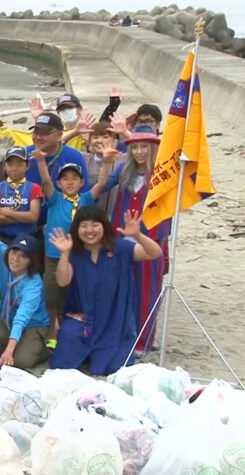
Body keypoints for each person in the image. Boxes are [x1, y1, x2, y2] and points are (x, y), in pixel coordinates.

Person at [48, 207, 163, 375]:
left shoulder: (120, 248)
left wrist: (137, 235)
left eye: (95, 225)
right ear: (76, 229)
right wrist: (64, 255)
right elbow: (62, 280)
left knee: (114, 367)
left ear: (104, 226)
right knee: (65, 350)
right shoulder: (75, 253)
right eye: (84, 226)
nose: (89, 231)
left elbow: (154, 253)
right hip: (85, 320)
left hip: (115, 323)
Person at [36, 149, 114, 344]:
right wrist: (41, 161)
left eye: (75, 178)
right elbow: (45, 181)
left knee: (71, 295)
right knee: (51, 294)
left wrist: (106, 162)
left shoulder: (86, 198)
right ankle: (51, 331)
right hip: (54, 255)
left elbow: (102, 183)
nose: (70, 182)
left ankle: (68, 332)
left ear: (82, 182)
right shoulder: (55, 199)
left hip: (78, 255)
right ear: (59, 183)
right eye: (65, 179)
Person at [106, 126, 170, 355]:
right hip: (122, 238)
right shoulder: (124, 170)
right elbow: (104, 185)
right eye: (135, 147)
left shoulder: (163, 173)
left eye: (145, 146)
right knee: (122, 289)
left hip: (150, 238)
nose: (140, 152)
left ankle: (142, 341)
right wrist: (105, 163)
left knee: (147, 292)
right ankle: (122, 336)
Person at [0, 234, 51, 368]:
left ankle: (42, 349)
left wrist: (9, 351)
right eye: (14, 252)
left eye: (23, 256)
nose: (15, 259)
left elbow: (22, 318)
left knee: (20, 361)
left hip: (33, 324)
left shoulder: (34, 285)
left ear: (31, 260)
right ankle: (16, 342)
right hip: (5, 316)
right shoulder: (3, 256)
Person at [0, 146, 43, 244]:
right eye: (10, 164)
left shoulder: (34, 188)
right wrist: (23, 217)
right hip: (3, 237)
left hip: (27, 238)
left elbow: (33, 217)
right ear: (4, 165)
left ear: (27, 166)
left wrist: (9, 213)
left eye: (19, 164)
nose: (14, 168)